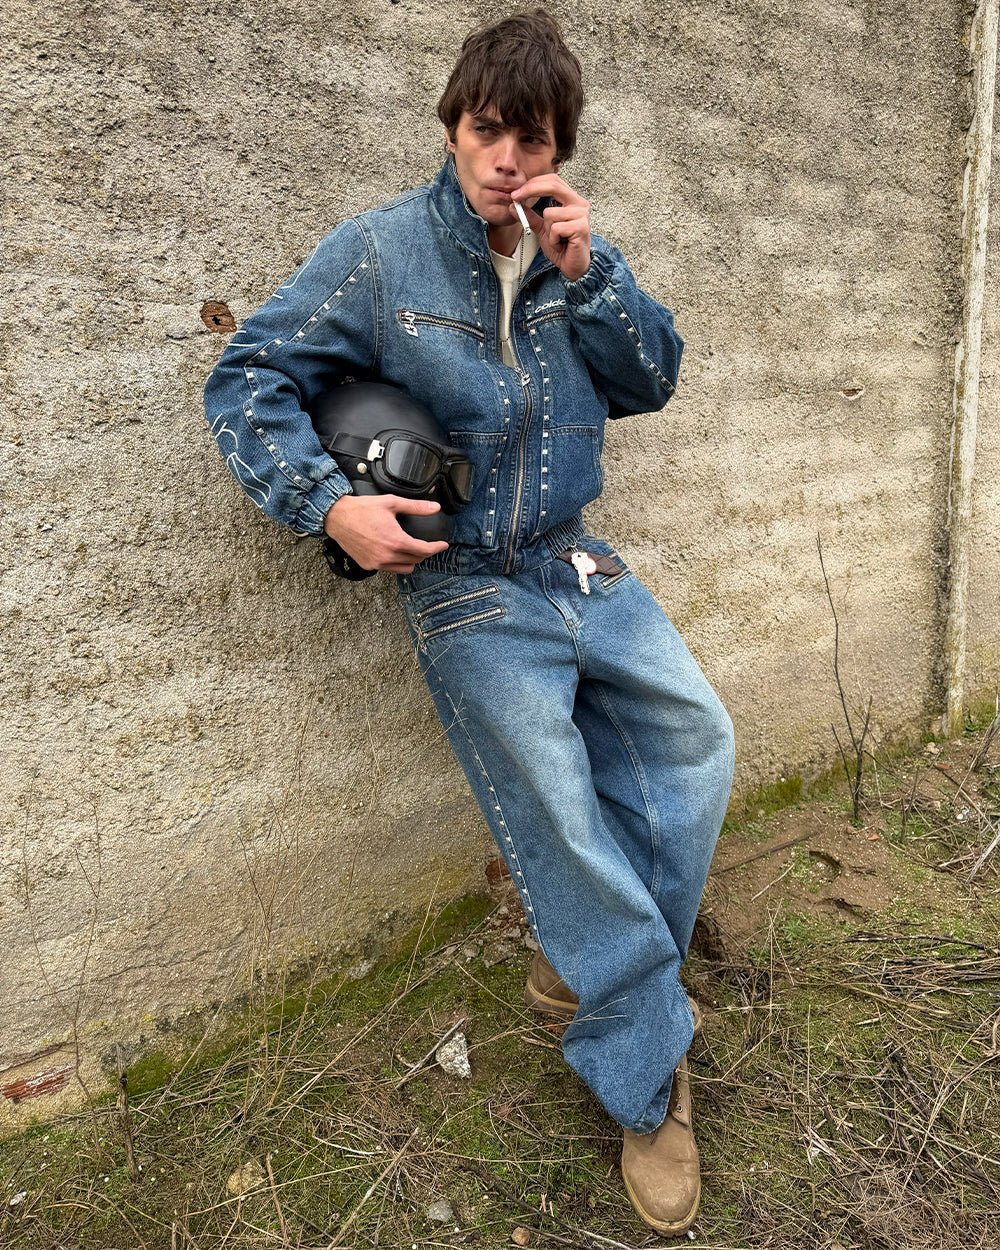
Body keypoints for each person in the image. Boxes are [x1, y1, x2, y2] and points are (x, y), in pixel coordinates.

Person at [204, 8, 734, 1234]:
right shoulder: (380, 252)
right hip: (466, 583)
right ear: (453, 125)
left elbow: (652, 378)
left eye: (530, 139)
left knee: (696, 742)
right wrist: (327, 507)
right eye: (487, 129)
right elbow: (249, 376)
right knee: (555, 800)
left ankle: (586, 962)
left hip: (574, 558)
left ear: (558, 150)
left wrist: (592, 276)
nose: (505, 157)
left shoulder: (571, 255)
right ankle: (646, 1072)